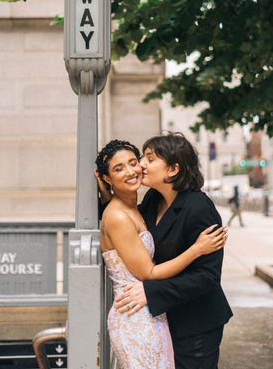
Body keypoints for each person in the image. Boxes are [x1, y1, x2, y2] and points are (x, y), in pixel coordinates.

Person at [97, 133, 232, 369]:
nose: (140, 166)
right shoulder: (153, 199)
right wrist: (106, 185)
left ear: (172, 169)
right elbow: (128, 223)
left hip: (195, 322)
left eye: (149, 159)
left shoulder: (199, 208)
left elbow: (207, 277)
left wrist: (151, 291)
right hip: (161, 319)